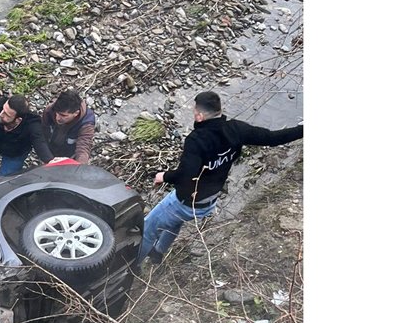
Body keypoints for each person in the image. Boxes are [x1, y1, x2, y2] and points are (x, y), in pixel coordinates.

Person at [135, 91, 303, 269]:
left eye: (194, 111)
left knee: (148, 229)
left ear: (199, 116)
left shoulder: (197, 140)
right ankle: (158, 253)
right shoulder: (236, 129)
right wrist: (303, 129)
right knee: (172, 221)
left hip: (187, 202)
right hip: (208, 202)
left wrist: (164, 176)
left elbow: (186, 176)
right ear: (219, 110)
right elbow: (272, 139)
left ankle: (131, 269)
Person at [40, 90, 97, 164]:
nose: (57, 118)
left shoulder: (86, 124)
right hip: (49, 150)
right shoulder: (50, 110)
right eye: (56, 113)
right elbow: (42, 132)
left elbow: (83, 147)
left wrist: (79, 166)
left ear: (76, 113)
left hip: (68, 156)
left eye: (63, 115)